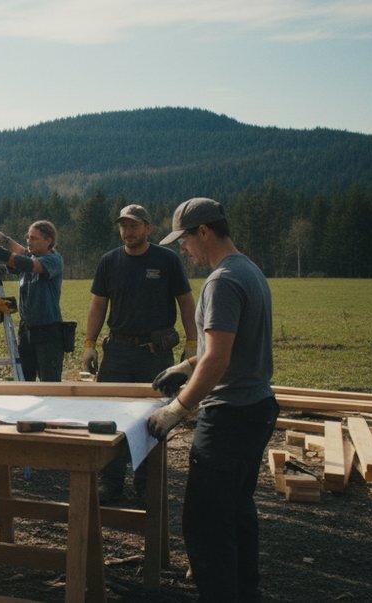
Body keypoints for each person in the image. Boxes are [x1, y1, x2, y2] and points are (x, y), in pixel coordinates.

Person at [147, 198, 278, 603]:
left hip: (230, 417)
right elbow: (222, 347)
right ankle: (244, 591)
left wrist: (178, 409)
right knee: (237, 510)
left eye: (184, 241)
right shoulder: (248, 269)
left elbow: (219, 358)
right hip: (256, 408)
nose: (184, 250)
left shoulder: (222, 281)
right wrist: (187, 365)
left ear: (203, 232)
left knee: (204, 523)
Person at [83, 204, 197, 504]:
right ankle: (111, 482)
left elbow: (186, 302)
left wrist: (192, 343)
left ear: (148, 228)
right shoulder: (109, 261)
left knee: (154, 418)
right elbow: (98, 305)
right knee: (109, 418)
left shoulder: (167, 259)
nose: (128, 231)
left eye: (134, 226)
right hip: (117, 351)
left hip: (154, 354)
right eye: (123, 226)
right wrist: (89, 343)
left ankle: (147, 484)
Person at [0, 215, 65, 381]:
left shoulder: (53, 260)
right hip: (26, 331)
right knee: (24, 380)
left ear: (48, 240)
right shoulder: (29, 256)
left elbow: (24, 263)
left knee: (50, 384)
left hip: (48, 332)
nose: (29, 241)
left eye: (34, 238)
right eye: (27, 237)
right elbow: (6, 240)